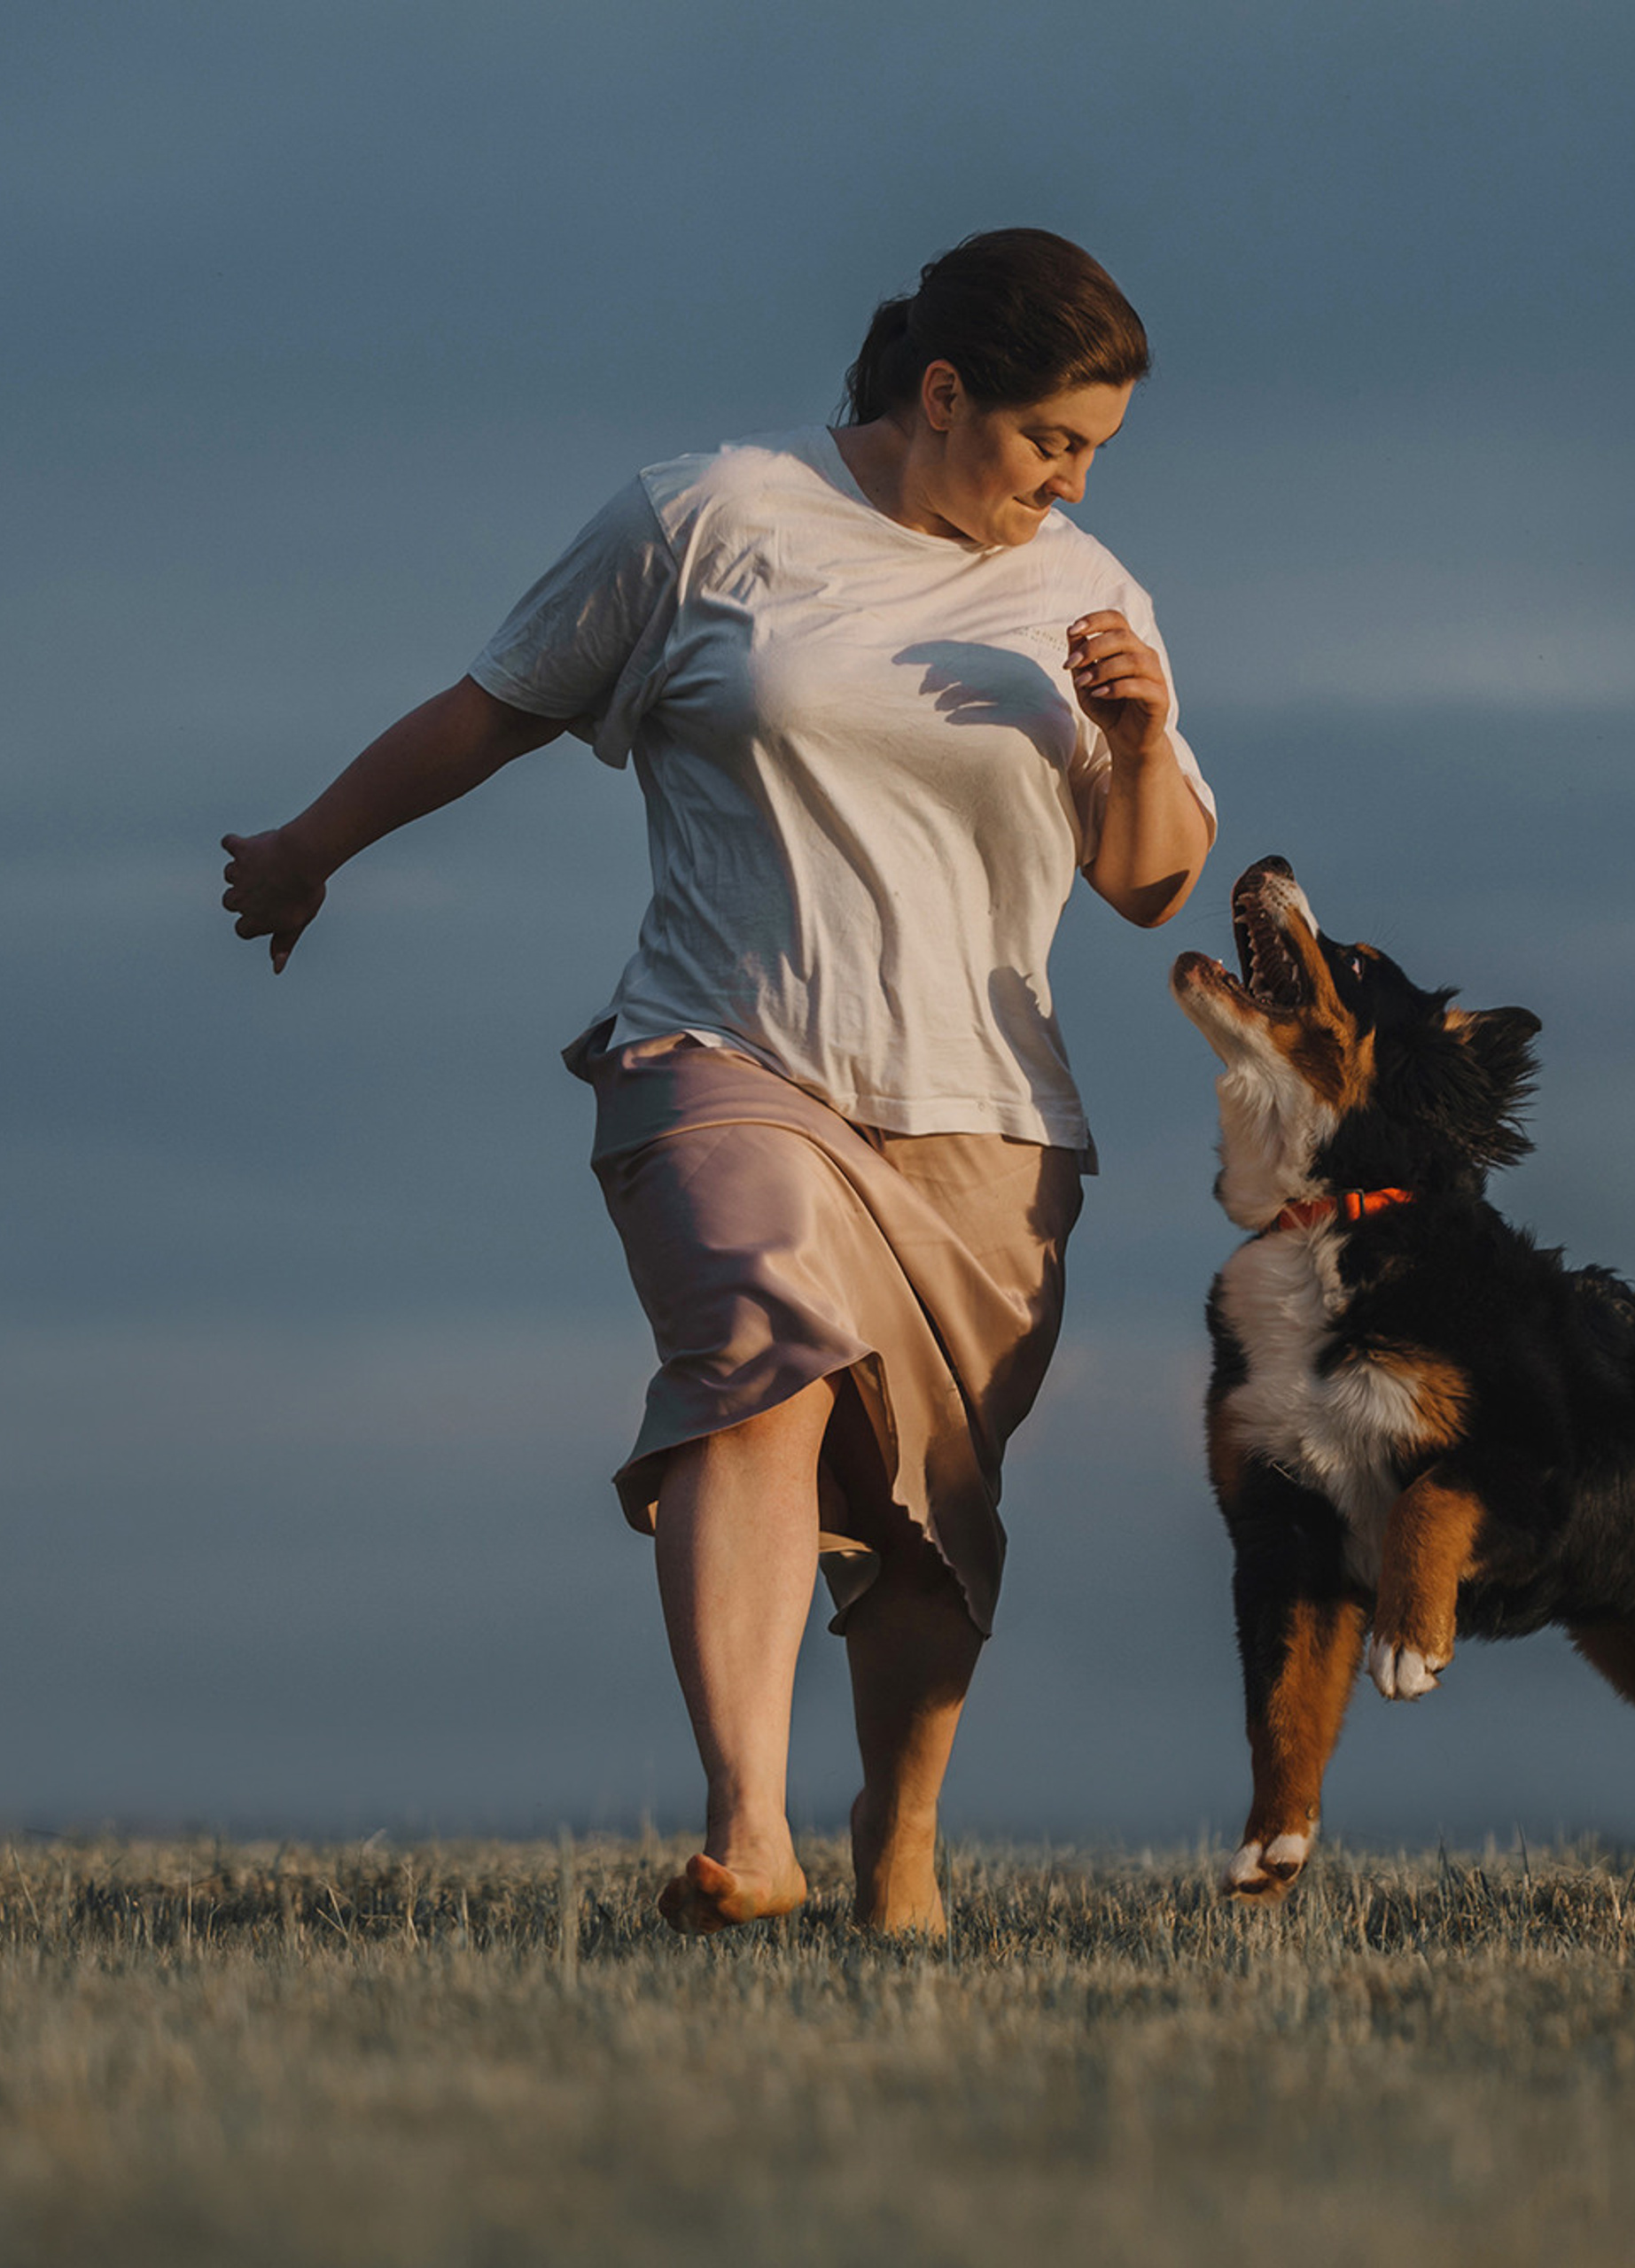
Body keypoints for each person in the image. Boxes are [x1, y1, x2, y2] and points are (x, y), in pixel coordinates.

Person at [221, 229, 1215, 1936]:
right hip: (722, 1049)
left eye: (1097, 456)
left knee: (931, 1519)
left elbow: (1150, 882)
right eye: (1051, 440)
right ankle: (748, 1830)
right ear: (942, 388)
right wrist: (313, 848)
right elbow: (494, 706)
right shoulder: (712, 519)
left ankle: (893, 1843)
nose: (1068, 483)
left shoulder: (1087, 594)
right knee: (752, 1366)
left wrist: (1133, 740)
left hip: (983, 1120)